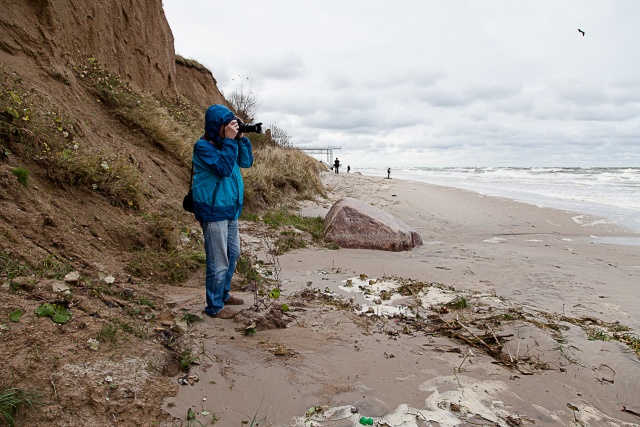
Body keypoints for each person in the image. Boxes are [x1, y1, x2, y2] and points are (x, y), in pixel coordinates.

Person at [191, 104, 254, 319]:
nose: (231, 130)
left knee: (233, 254)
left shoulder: (227, 144)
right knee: (218, 262)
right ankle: (214, 306)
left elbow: (246, 162)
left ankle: (224, 294)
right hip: (213, 211)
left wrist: (241, 138)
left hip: (230, 210)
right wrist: (229, 140)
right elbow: (225, 169)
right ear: (216, 126)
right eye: (227, 126)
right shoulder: (203, 147)